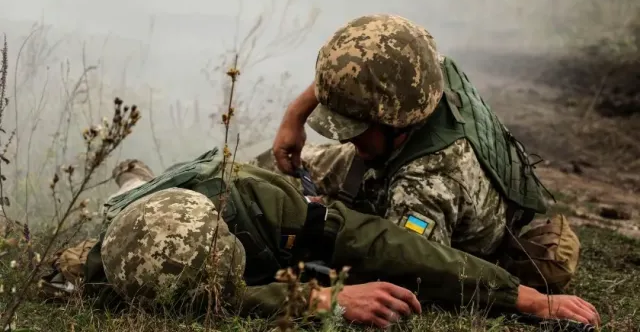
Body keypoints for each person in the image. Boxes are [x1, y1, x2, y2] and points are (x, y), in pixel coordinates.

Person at [44, 153, 600, 329]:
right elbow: (224, 298)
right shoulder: (108, 266)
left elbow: (392, 247)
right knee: (122, 199)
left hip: (249, 186)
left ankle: (137, 171)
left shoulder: (267, 206)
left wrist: (523, 296)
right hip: (140, 213)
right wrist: (322, 300)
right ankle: (133, 174)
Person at [251, 13, 580, 293]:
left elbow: (407, 271)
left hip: (438, 207)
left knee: (287, 216)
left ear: (395, 120)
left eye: (357, 130)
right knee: (265, 173)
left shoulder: (427, 183)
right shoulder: (419, 70)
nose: (349, 140)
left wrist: (325, 228)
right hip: (397, 154)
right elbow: (358, 68)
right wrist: (295, 116)